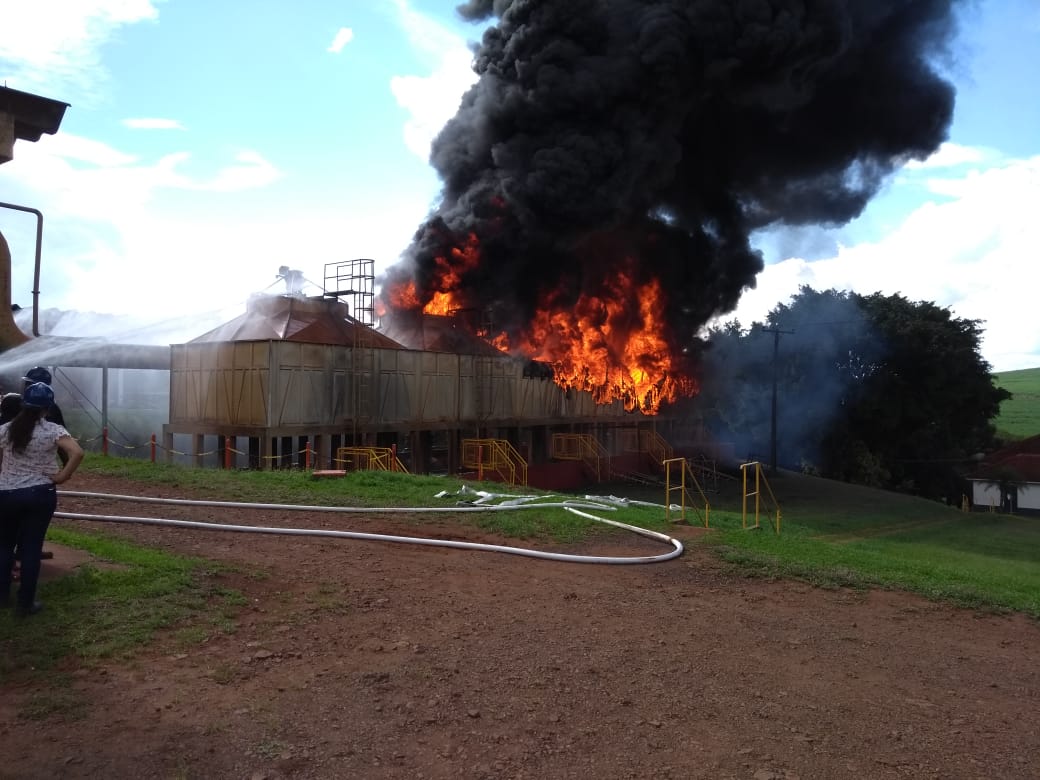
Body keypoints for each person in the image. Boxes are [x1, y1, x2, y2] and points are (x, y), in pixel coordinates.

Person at [0, 382, 84, 617]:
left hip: (6, 494)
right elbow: (77, 452)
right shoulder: (52, 430)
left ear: (24, 405)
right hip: (40, 494)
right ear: (47, 408)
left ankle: (2, 597)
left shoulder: (6, 429)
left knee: (4, 546)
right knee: (31, 547)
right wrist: (62, 476)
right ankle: (25, 604)